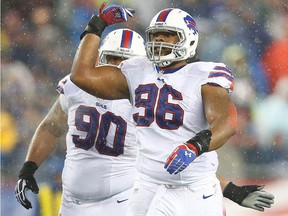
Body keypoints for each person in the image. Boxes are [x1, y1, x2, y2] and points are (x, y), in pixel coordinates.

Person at [69, 3, 273, 215]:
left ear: (188, 38)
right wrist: (98, 24)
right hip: (147, 184)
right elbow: (82, 76)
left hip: (194, 190)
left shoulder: (204, 75)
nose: (159, 40)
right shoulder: (137, 70)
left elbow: (226, 123)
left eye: (168, 35)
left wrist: (195, 146)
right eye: (156, 35)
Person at [15, 28, 146, 216]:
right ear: (101, 58)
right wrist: (28, 169)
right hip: (72, 202)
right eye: (112, 58)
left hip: (122, 201)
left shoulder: (146, 98)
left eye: (125, 62)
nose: (117, 66)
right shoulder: (77, 86)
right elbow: (51, 127)